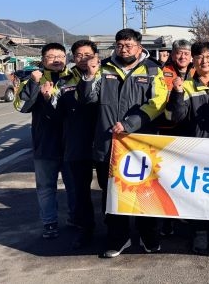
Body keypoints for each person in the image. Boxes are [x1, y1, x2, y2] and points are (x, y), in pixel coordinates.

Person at [78, 28, 167, 258]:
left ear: (139, 47)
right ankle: (118, 239)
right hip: (108, 144)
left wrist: (131, 123)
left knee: (145, 194)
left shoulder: (153, 69)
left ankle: (149, 236)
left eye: (129, 45)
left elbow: (158, 103)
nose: (124, 49)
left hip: (141, 145)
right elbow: (88, 100)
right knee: (112, 196)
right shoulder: (103, 67)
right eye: (120, 45)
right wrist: (89, 76)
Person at [165, 41, 209, 255]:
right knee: (197, 194)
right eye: (200, 57)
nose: (204, 61)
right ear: (194, 61)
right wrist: (176, 94)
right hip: (194, 152)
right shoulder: (185, 86)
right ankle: (200, 233)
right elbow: (176, 117)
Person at [14, 43, 75, 240]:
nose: (57, 59)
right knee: (46, 187)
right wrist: (33, 83)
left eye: (60, 55)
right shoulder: (33, 79)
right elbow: (21, 106)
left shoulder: (75, 77)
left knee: (74, 186)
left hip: (71, 143)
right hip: (45, 143)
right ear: (42, 60)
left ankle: (75, 218)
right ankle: (49, 223)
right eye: (51, 56)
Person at [52, 40, 101, 249]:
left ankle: (115, 228)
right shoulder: (64, 82)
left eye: (88, 54)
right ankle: (85, 229)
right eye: (79, 55)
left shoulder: (109, 77)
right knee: (80, 192)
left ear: (96, 55)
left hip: (104, 141)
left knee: (110, 190)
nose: (83, 59)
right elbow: (56, 113)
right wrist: (48, 98)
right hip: (76, 143)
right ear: (73, 57)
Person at [157, 39, 195, 236]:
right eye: (179, 53)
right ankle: (167, 218)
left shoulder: (197, 71)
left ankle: (186, 213)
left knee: (188, 176)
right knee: (168, 176)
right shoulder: (162, 73)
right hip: (167, 131)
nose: (182, 57)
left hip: (190, 132)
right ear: (172, 55)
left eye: (186, 54)